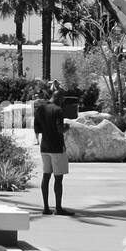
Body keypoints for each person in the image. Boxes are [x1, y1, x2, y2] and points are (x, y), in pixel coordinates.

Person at [33, 82, 72, 215]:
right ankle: (58, 208)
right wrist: (66, 127)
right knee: (58, 178)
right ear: (59, 99)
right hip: (56, 148)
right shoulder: (58, 110)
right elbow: (59, 129)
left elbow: (37, 129)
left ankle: (45, 208)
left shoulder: (40, 109)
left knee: (46, 176)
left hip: (44, 147)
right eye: (62, 101)